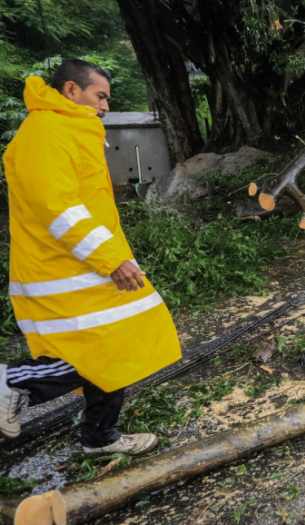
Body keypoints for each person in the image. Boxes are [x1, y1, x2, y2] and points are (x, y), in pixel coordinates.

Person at [0, 59, 182, 455]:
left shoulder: (68, 129)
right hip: (65, 269)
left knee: (115, 347)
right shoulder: (47, 133)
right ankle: (13, 381)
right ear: (71, 90)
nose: (104, 106)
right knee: (95, 350)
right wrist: (109, 259)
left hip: (87, 264)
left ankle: (99, 437)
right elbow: (58, 209)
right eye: (100, 96)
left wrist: (110, 257)